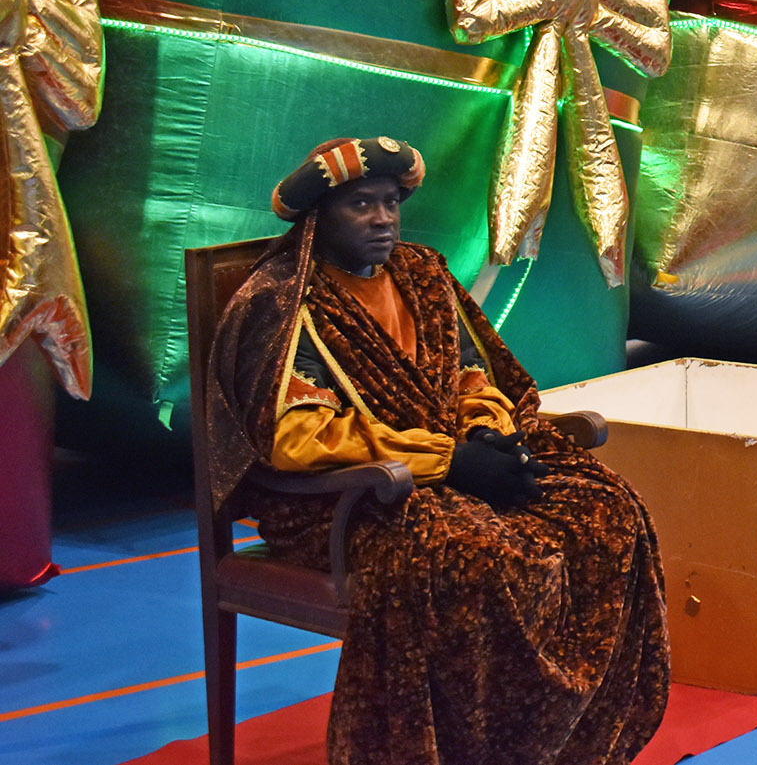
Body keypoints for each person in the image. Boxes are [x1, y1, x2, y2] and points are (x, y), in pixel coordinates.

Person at [206, 138, 669, 765]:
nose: (382, 219)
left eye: (391, 203)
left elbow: (473, 374)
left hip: (446, 464)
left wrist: (485, 433)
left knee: (607, 510)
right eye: (360, 205)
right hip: (344, 500)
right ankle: (470, 747)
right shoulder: (288, 302)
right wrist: (445, 461)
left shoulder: (422, 274)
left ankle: (567, 743)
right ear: (319, 216)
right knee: (478, 558)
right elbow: (296, 440)